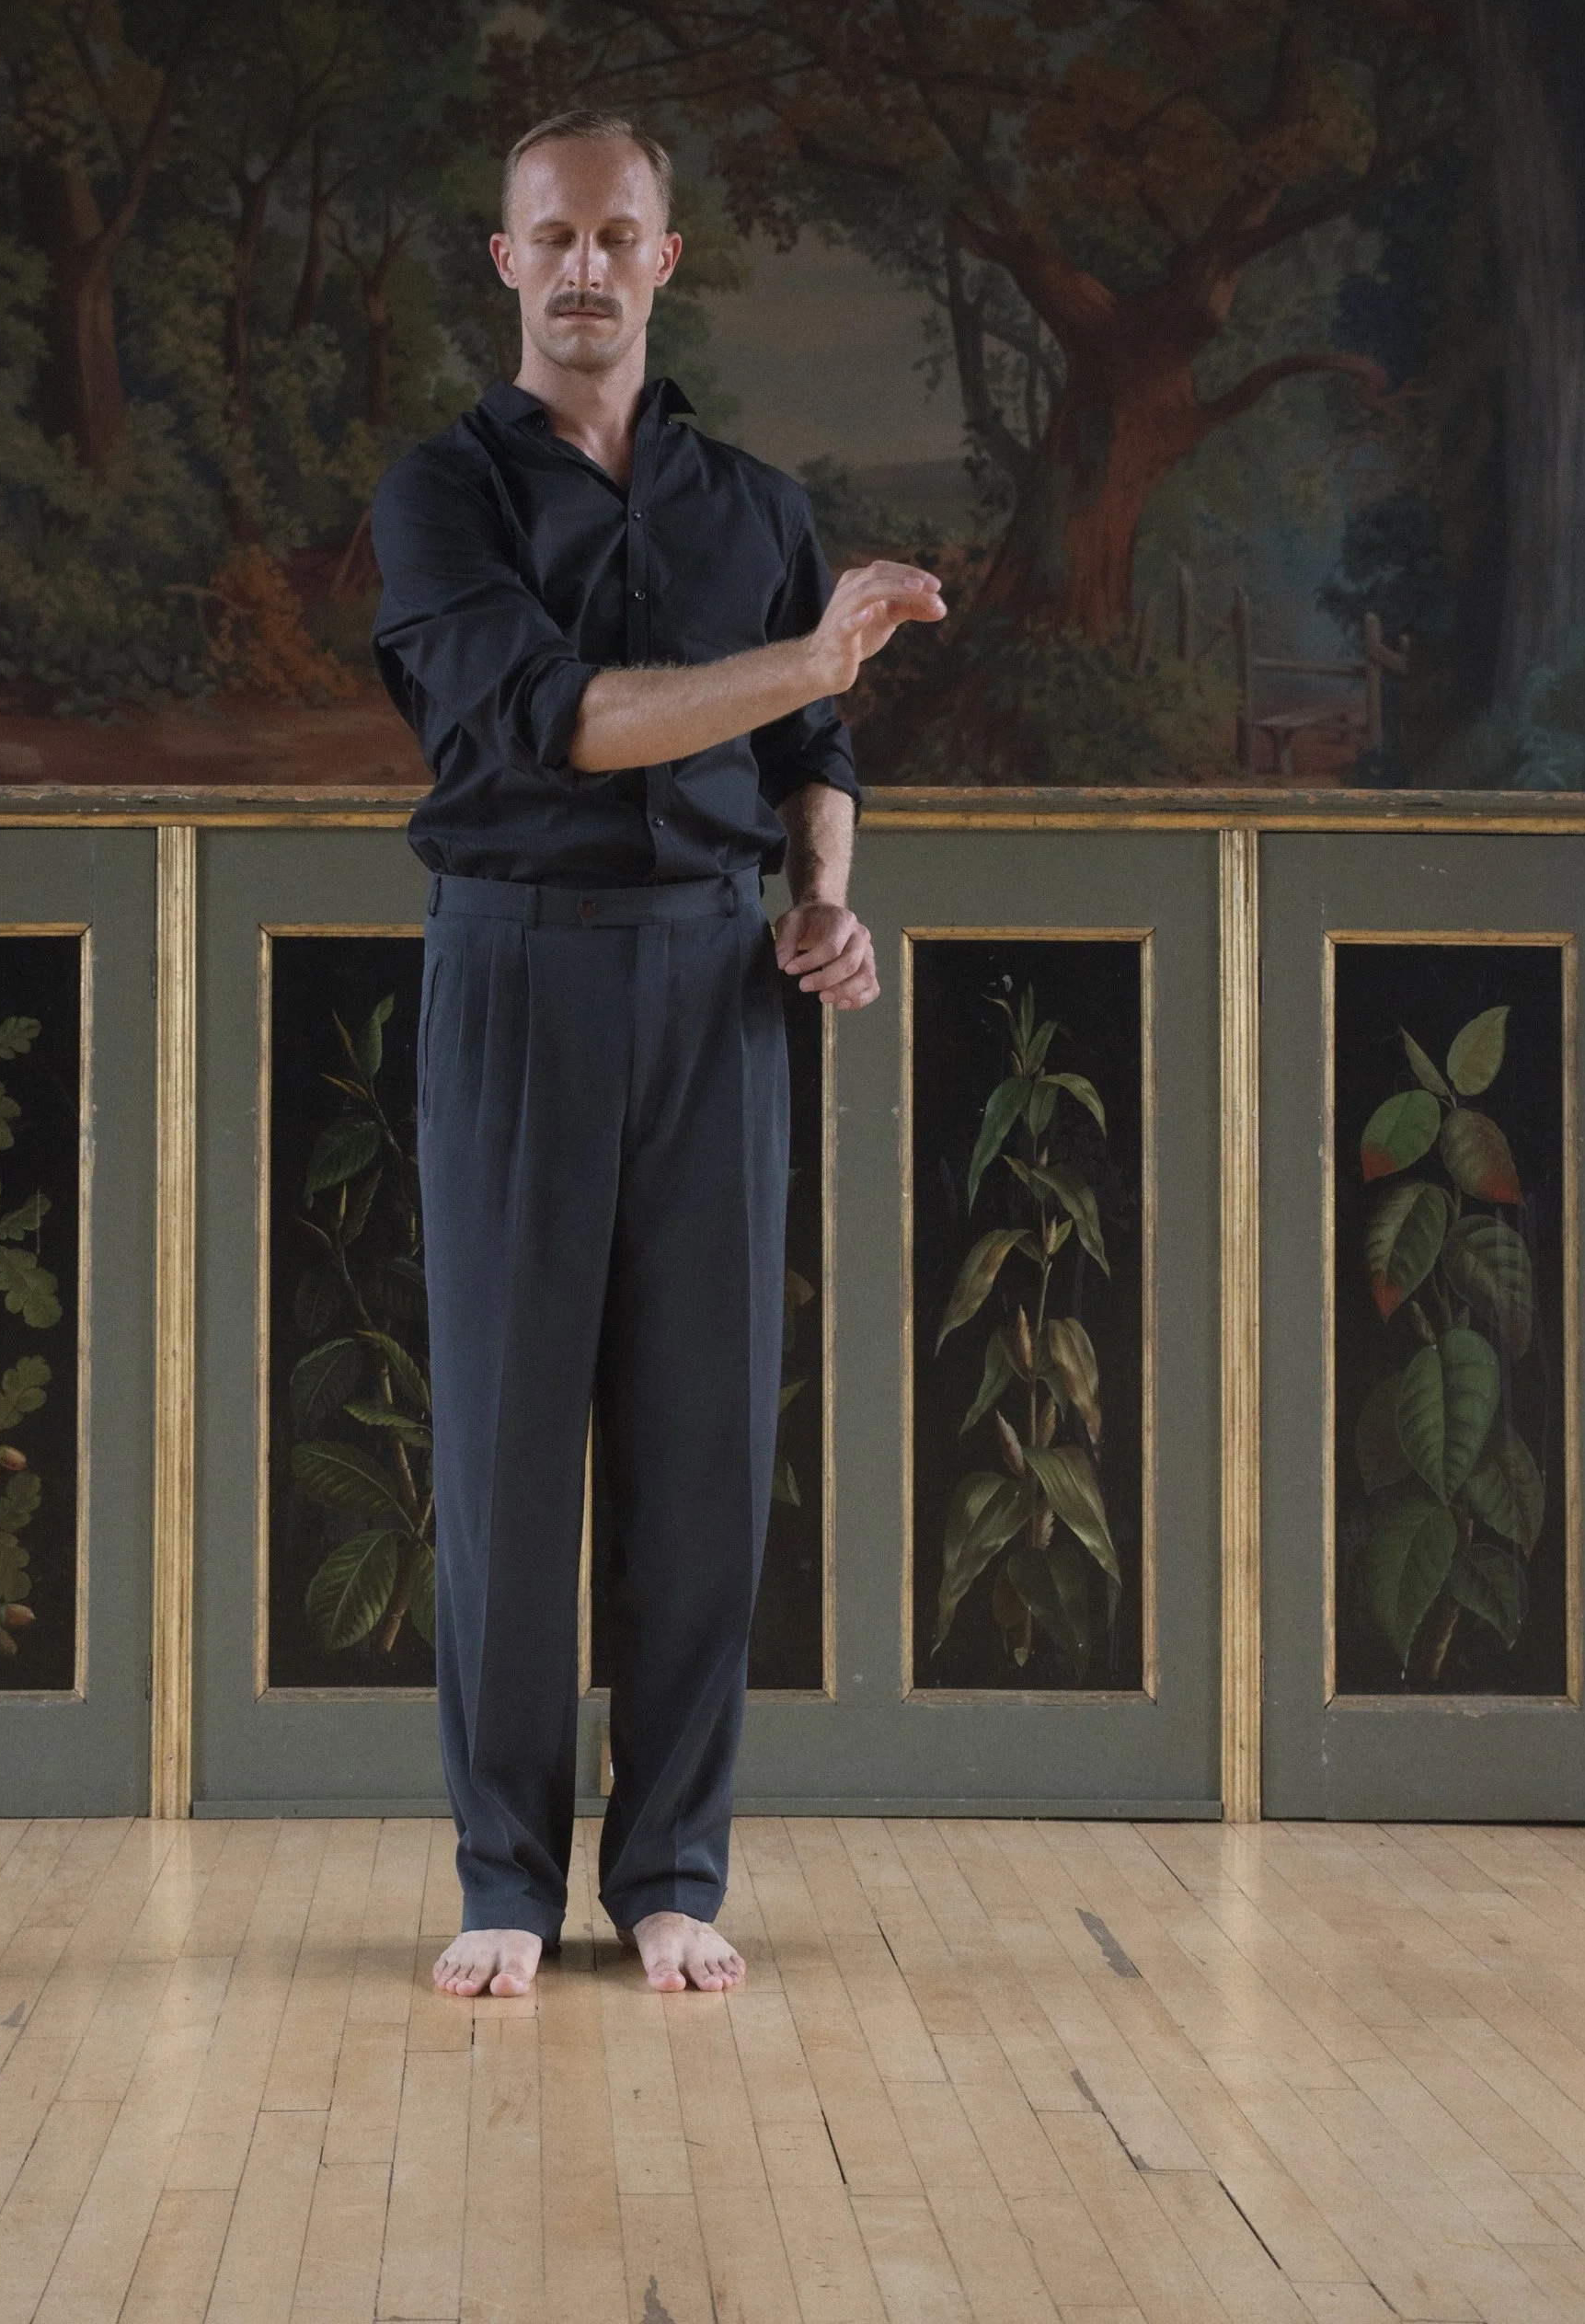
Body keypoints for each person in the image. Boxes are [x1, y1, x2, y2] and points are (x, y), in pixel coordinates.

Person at [370, 108, 945, 1997]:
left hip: (721, 996)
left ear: (666, 261)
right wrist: (812, 660)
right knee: (514, 1450)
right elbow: (557, 725)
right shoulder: (439, 499)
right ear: (506, 261)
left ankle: (675, 1874)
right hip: (517, 983)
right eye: (556, 237)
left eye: (623, 236)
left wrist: (828, 899)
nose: (590, 267)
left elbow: (815, 771)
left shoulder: (757, 507)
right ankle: (503, 1884)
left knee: (707, 1452)